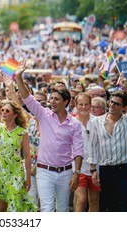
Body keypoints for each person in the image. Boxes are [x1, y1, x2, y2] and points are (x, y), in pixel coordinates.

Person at [16, 62, 83, 212]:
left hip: (65, 172)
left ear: (65, 102)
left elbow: (78, 151)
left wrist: (76, 174)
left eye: (56, 99)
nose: (52, 101)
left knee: (62, 209)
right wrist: (19, 77)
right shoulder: (43, 114)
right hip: (44, 171)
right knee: (47, 209)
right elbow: (27, 98)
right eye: (51, 98)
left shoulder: (75, 124)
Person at [88, 74, 127, 212]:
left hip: (124, 170)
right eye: (111, 102)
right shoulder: (96, 121)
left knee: (124, 206)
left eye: (116, 104)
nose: (112, 105)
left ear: (124, 107)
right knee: (108, 206)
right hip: (105, 169)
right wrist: (93, 169)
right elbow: (93, 146)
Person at [0, 81, 36, 212]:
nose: (3, 112)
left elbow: (27, 155)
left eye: (7, 111)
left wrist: (28, 178)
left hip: (15, 173)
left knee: (15, 206)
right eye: (2, 110)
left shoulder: (22, 132)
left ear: (15, 115)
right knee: (0, 207)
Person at [74, 93, 100, 212]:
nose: (84, 107)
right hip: (77, 167)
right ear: (76, 105)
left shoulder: (98, 122)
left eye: (86, 104)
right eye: (81, 104)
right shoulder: (71, 123)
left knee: (94, 200)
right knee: (81, 199)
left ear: (90, 105)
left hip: (95, 167)